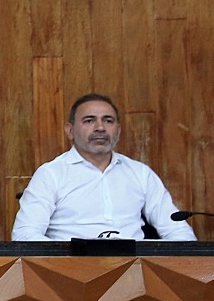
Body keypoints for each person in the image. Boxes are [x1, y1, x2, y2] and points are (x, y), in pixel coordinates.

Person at [11, 93, 196, 241]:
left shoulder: (140, 173)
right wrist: (68, 257)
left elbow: (178, 231)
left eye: (108, 120)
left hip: (136, 268)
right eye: (89, 120)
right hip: (71, 269)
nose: (100, 127)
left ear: (118, 130)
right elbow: (25, 234)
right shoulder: (51, 174)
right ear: (70, 130)